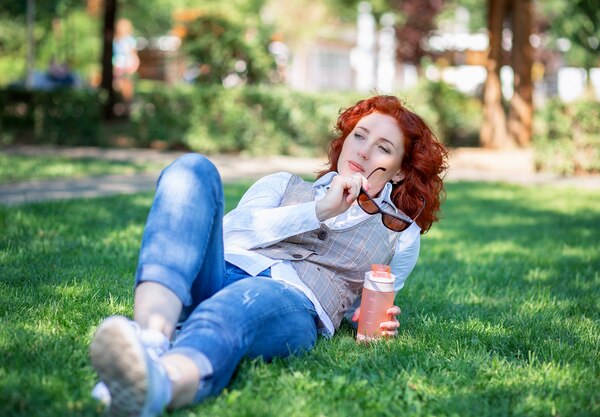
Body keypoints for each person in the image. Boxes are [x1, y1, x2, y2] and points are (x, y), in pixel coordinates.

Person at [89, 95, 448, 416]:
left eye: (384, 147)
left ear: (400, 170)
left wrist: (372, 319)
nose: (365, 151)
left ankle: (162, 384)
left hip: (293, 300)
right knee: (191, 170)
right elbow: (230, 235)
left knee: (232, 308)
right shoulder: (281, 183)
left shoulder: (400, 235)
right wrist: (320, 210)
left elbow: (369, 302)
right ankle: (151, 339)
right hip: (219, 271)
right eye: (359, 135)